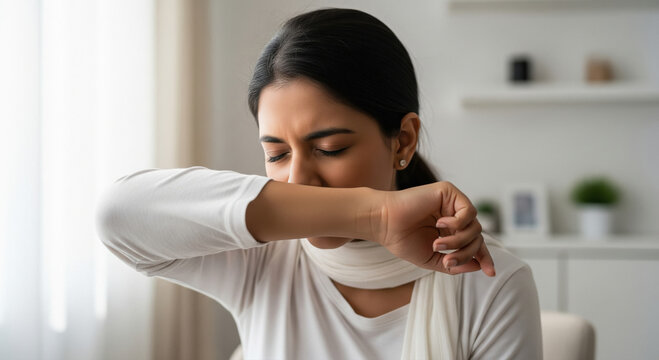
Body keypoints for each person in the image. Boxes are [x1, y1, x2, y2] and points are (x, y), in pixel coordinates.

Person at [95, 8, 542, 360]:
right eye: (276, 154)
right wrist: (376, 215)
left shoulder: (490, 285)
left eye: (328, 148)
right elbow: (118, 213)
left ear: (402, 139)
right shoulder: (262, 257)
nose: (297, 180)